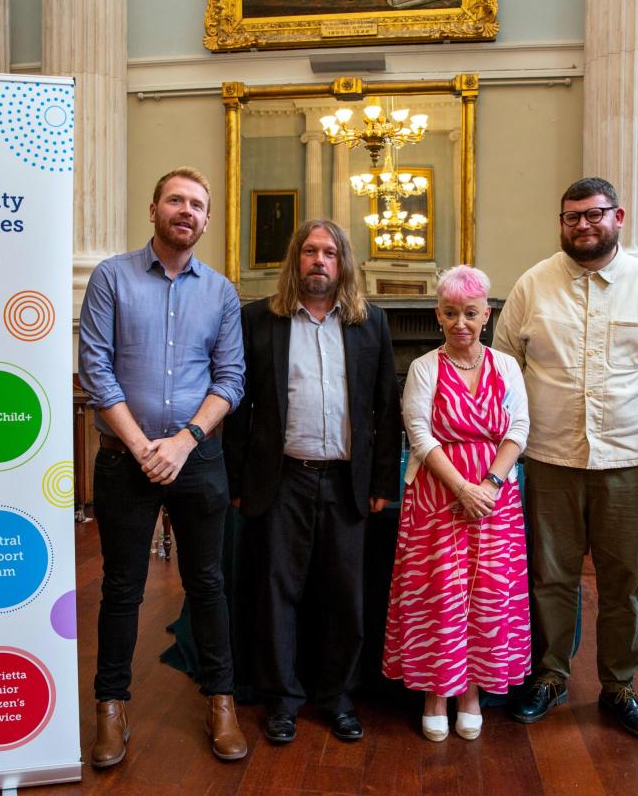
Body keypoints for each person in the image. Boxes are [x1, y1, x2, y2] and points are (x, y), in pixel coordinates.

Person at [493, 177, 638, 738]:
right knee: (551, 577)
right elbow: (507, 369)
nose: (583, 225)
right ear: (561, 222)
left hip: (627, 459)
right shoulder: (533, 285)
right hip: (552, 456)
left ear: (617, 216)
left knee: (623, 580)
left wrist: (631, 414)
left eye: (594, 215)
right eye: (572, 216)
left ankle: (619, 686)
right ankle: (551, 676)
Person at [78, 166, 248, 767]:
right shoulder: (111, 278)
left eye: (198, 205)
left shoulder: (221, 292)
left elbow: (231, 378)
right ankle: (111, 708)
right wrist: (145, 445)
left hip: (198, 460)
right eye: (176, 200)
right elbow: (95, 370)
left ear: (205, 220)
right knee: (121, 588)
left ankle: (220, 702)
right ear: (153, 210)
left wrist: (182, 442)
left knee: (208, 584)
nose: (187, 210)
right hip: (125, 460)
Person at [224, 219, 400, 744]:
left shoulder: (370, 323)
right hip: (281, 480)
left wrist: (382, 482)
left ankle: (339, 696)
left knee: (344, 595)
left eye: (329, 252)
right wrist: (238, 480)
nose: (318, 261)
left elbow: (385, 408)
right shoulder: (259, 320)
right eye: (309, 252)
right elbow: (239, 409)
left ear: (342, 263)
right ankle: (282, 699)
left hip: (348, 481)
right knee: (277, 593)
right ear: (294, 261)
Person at [382, 266, 530, 742]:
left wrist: (487, 484)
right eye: (450, 313)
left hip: (496, 496)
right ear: (438, 316)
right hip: (437, 494)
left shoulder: (506, 366)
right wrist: (462, 488)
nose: (460, 322)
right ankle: (435, 694)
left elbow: (519, 430)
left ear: (486, 314)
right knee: (439, 595)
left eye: (470, 313)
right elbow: (419, 434)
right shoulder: (426, 367)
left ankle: (471, 693)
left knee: (488, 594)